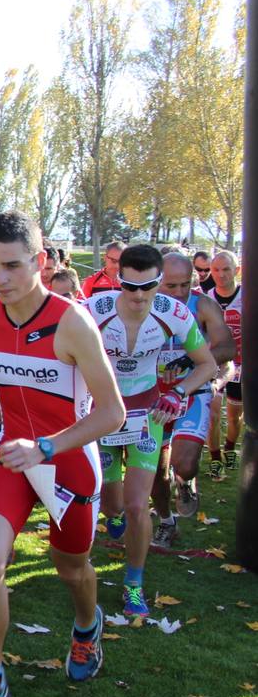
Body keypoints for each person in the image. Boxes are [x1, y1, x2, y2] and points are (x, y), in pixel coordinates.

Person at [0, 210, 125, 697]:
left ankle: (85, 627)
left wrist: (46, 444)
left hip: (68, 460)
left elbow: (112, 414)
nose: (0, 279)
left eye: (12, 266)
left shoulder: (72, 321)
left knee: (71, 567)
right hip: (13, 457)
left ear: (41, 262)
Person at [90, 244, 215, 614]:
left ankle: (134, 582)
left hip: (147, 414)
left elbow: (206, 364)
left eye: (149, 287)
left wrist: (179, 392)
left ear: (160, 283)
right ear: (118, 280)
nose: (140, 296)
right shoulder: (92, 310)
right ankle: (110, 516)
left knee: (135, 505)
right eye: (131, 287)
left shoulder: (173, 313)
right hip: (105, 414)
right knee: (112, 505)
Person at [151, 252, 234, 544]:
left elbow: (227, 348)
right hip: (152, 396)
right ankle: (165, 520)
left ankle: (185, 482)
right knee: (153, 472)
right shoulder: (141, 304)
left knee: (184, 464)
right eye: (170, 286)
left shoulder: (203, 305)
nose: (178, 293)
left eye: (185, 285)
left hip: (192, 391)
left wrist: (191, 360)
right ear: (156, 279)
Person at [205, 250, 243, 480]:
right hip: (215, 365)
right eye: (215, 269)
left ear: (236, 270)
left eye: (226, 269)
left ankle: (230, 448)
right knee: (212, 413)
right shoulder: (205, 298)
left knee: (234, 416)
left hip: (240, 365)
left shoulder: (248, 295)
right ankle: (216, 458)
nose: (220, 274)